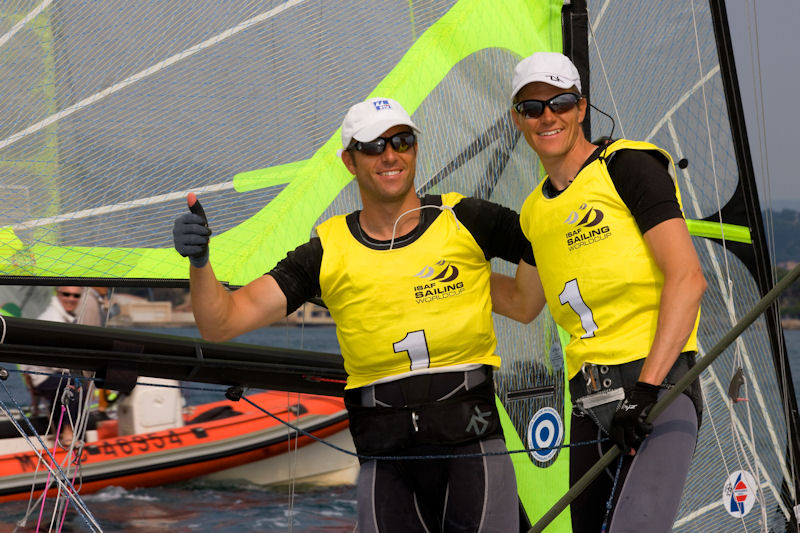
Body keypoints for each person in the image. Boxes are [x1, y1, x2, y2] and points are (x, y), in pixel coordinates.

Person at [173, 97, 535, 532]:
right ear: (350, 160)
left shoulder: (466, 220)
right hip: (386, 464)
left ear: (415, 150)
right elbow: (221, 322)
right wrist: (199, 262)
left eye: (401, 141)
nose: (390, 155)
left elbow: (532, 284)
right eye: (373, 146)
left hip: (473, 452)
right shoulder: (325, 252)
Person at [491, 52, 707, 532]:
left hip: (658, 387)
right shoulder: (532, 212)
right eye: (532, 108)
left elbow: (688, 278)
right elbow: (523, 304)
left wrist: (646, 391)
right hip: (588, 404)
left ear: (581, 108)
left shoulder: (627, 165)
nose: (547, 116)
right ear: (517, 119)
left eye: (560, 102)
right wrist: (433, 276)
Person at [19, 286, 85, 445]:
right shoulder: (53, 318)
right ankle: (69, 433)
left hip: (51, 374)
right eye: (66, 294)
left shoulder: (65, 317)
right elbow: (57, 361)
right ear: (58, 294)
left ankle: (66, 432)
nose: (71, 299)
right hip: (41, 377)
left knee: (72, 381)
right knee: (73, 384)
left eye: (76, 296)